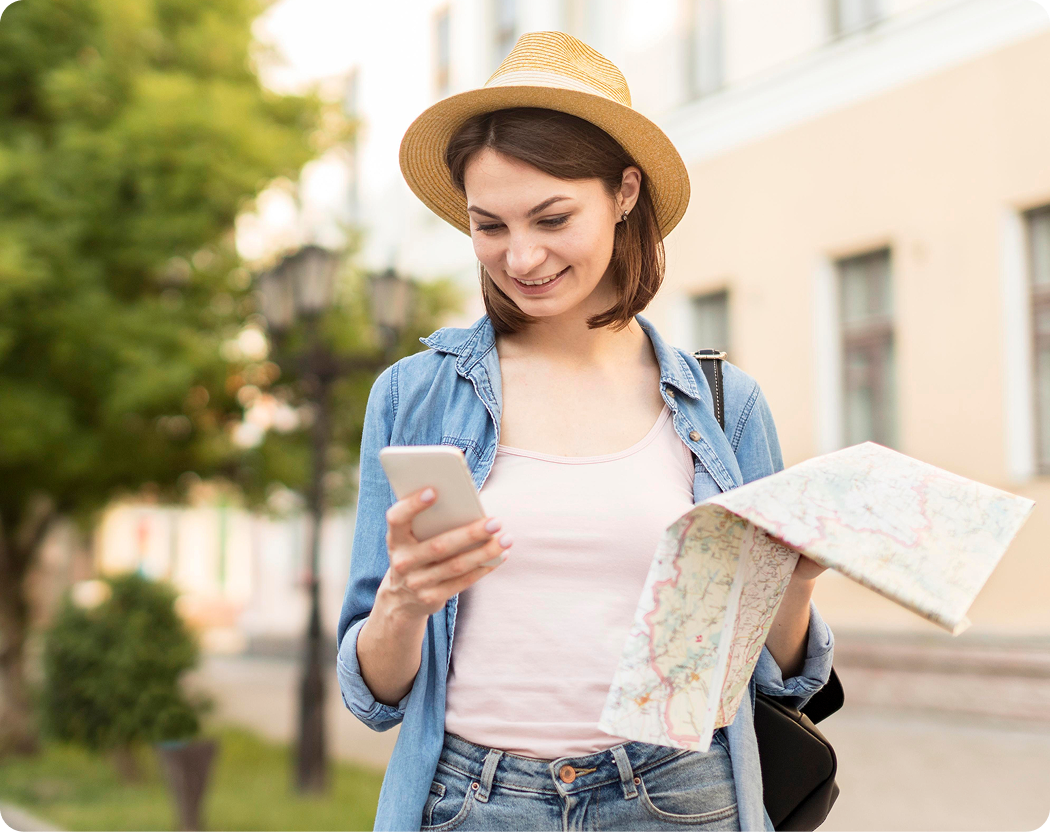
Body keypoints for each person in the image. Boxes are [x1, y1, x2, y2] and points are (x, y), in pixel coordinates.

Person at [336, 31, 834, 832]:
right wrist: (402, 602)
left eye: (552, 217)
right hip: (470, 804)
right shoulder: (414, 397)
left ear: (625, 192)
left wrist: (797, 583)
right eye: (490, 226)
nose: (521, 256)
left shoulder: (723, 406)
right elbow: (373, 696)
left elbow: (781, 676)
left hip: (677, 796)